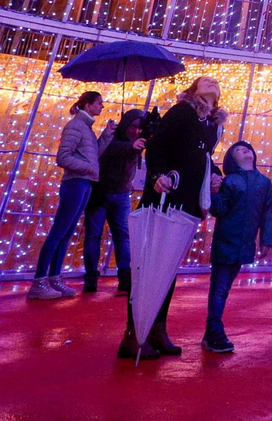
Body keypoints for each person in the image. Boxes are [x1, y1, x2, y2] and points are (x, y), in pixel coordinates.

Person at [120, 76, 225, 361]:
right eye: (207, 80)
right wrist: (157, 176)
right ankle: (134, 333)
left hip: (186, 201)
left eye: (216, 81)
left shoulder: (211, 124)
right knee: (150, 264)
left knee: (167, 267)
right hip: (166, 196)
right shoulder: (183, 112)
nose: (213, 82)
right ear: (193, 90)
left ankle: (156, 327)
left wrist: (214, 175)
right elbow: (158, 147)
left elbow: (200, 157)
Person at [29, 91, 113, 300]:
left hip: (84, 182)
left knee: (66, 232)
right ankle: (40, 280)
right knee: (59, 231)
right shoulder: (76, 126)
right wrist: (86, 168)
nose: (102, 107)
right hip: (75, 182)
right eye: (99, 103)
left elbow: (92, 153)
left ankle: (54, 278)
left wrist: (107, 134)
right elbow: (63, 157)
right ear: (87, 104)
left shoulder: (86, 128)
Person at [204, 140, 272, 353]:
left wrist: (266, 240)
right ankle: (215, 330)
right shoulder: (230, 182)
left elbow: (268, 212)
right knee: (220, 289)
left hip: (243, 245)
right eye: (238, 150)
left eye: (247, 148)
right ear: (232, 160)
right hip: (226, 243)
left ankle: (212, 330)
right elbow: (219, 210)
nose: (244, 150)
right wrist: (215, 193)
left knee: (222, 288)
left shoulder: (264, 182)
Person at [85, 108, 145, 294]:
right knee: (94, 235)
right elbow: (102, 149)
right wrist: (129, 146)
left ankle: (125, 277)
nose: (136, 131)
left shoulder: (138, 142)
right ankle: (91, 277)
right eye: (133, 127)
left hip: (121, 194)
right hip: (101, 193)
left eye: (139, 129)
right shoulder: (112, 135)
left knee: (123, 236)